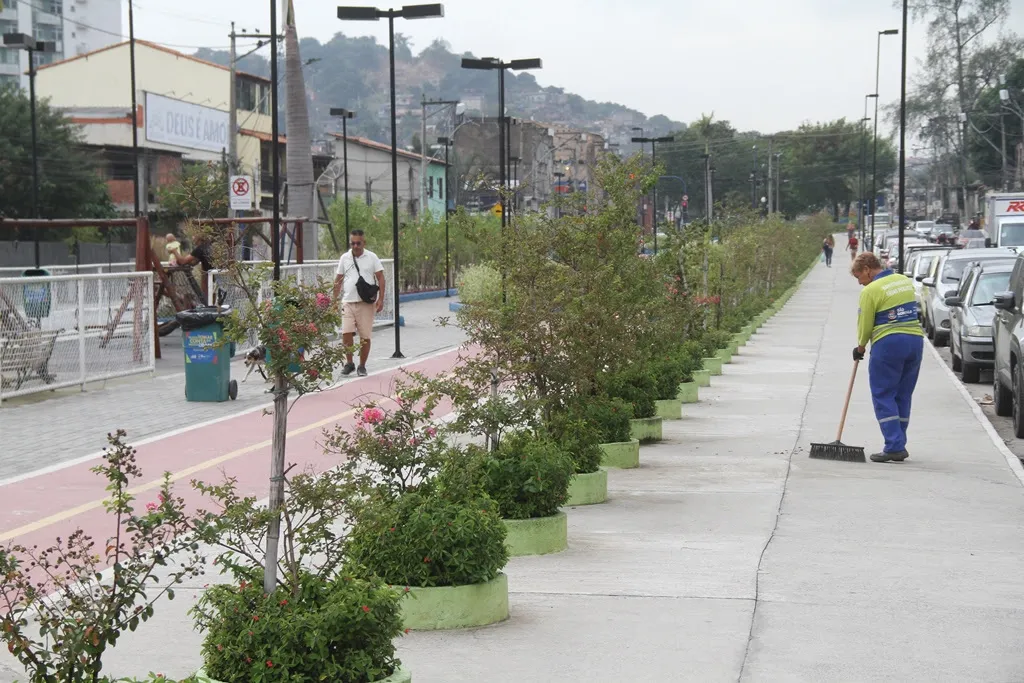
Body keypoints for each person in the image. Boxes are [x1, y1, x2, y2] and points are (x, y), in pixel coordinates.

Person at [850, 252, 924, 463]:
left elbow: (865, 323)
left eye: (858, 277)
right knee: (903, 394)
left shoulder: (871, 291)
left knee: (883, 393)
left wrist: (861, 347)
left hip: (889, 343)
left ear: (866, 269)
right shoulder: (903, 281)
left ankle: (893, 446)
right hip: (915, 341)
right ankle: (899, 442)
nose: (859, 283)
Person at [332, 229, 386, 377]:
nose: (355, 246)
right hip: (348, 301)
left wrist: (381, 299)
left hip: (365, 303)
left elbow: (380, 277)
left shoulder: (372, 257)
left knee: (365, 336)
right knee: (346, 333)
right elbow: (338, 279)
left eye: (358, 243)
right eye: (353, 243)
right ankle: (349, 362)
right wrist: (333, 300)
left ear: (364, 243)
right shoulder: (345, 258)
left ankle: (362, 365)